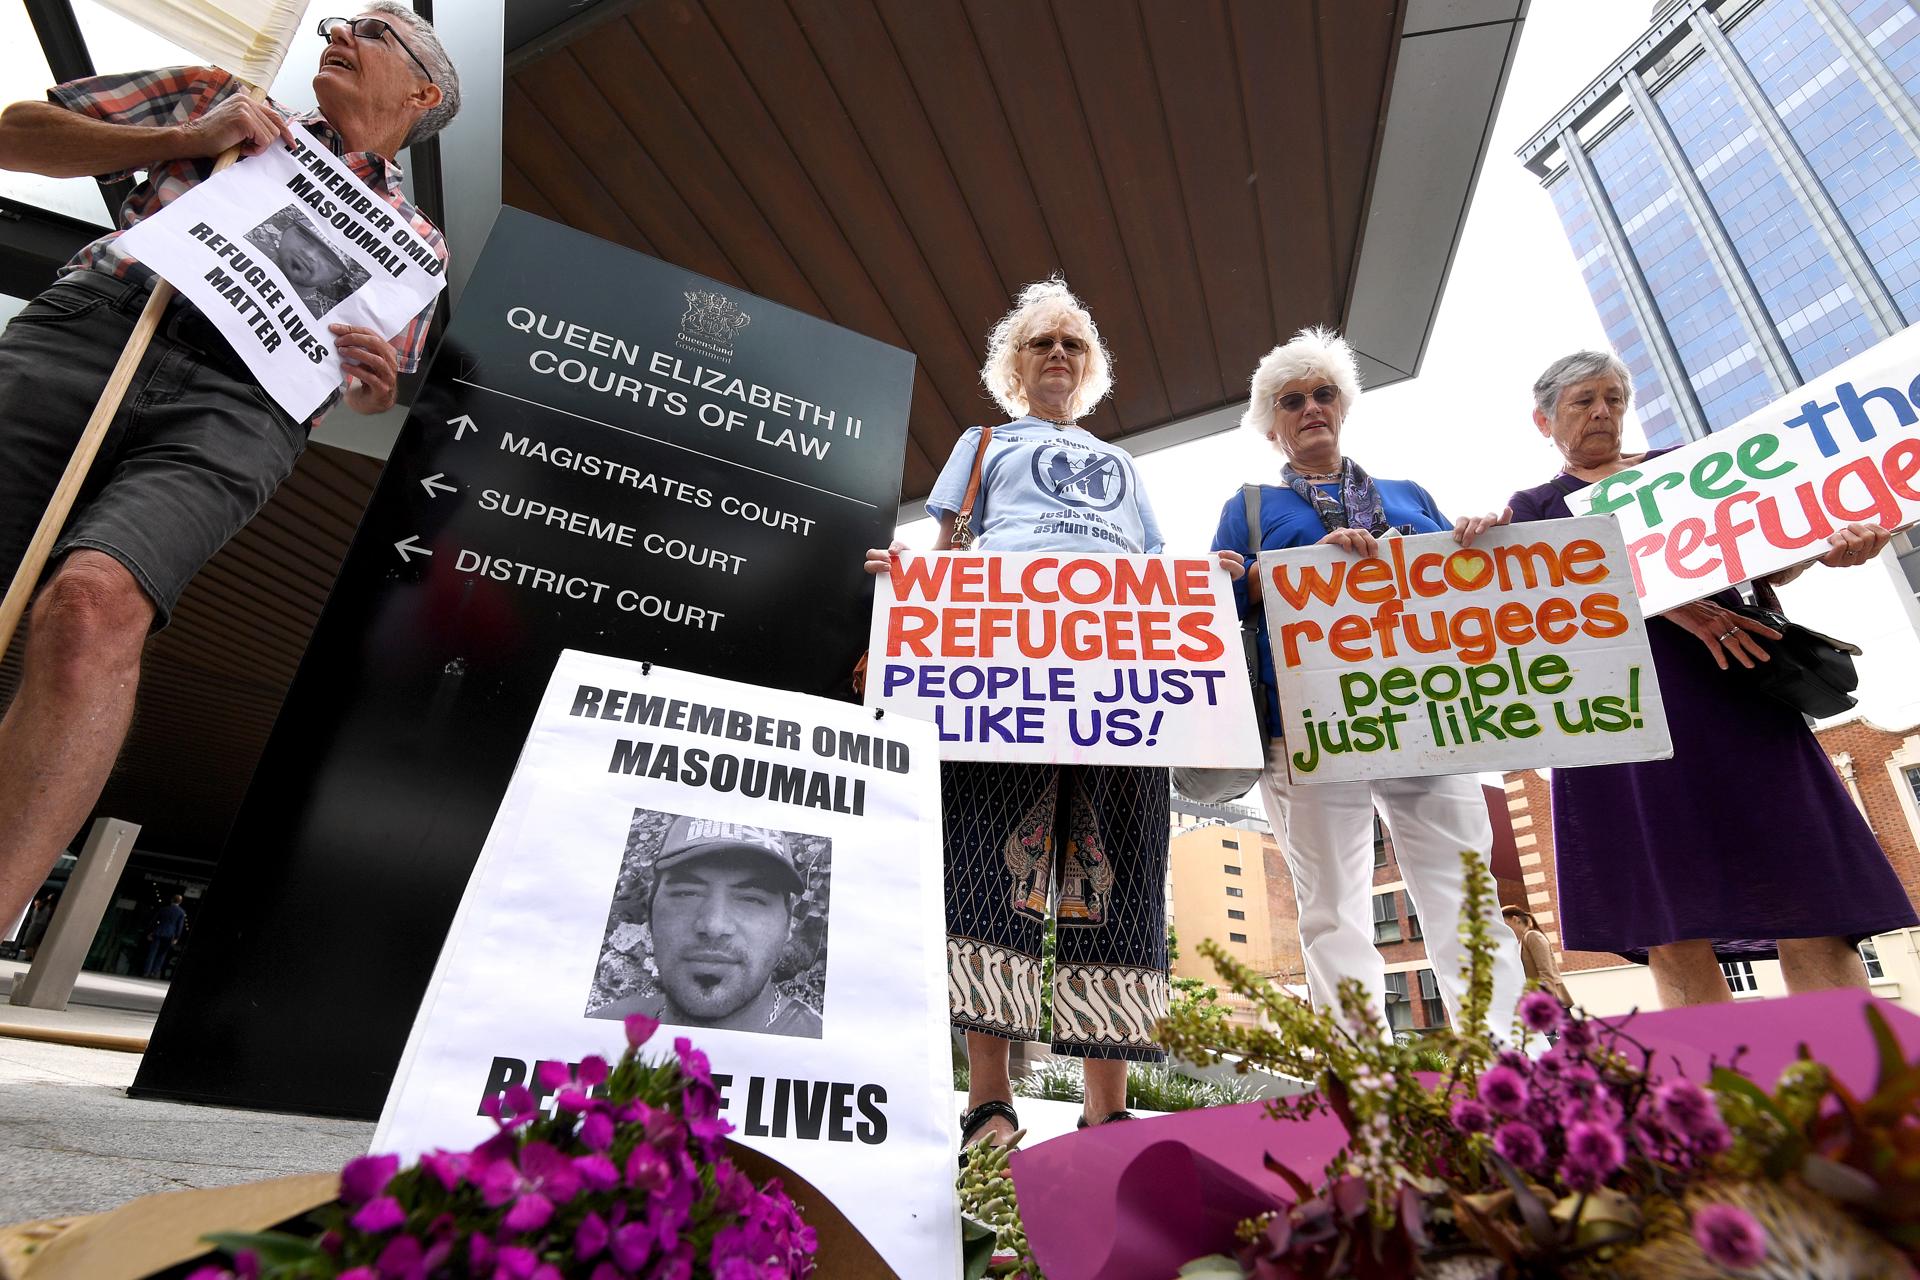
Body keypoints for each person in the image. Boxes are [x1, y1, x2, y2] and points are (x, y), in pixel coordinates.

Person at [0, 7, 460, 931]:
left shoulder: (417, 248)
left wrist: (372, 392)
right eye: (339, 21)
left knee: (94, 605)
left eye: (373, 32)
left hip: (240, 410)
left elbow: (362, 390)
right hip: (98, 328)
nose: (340, 31)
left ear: (423, 92)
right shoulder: (225, 102)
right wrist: (187, 137)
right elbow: (12, 136)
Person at [866, 278, 1244, 1151]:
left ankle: (1107, 1109)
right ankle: (990, 1103)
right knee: (986, 861)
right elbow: (950, 546)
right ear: (1014, 363)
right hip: (1006, 676)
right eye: (1042, 342)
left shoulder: (1125, 467)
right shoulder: (983, 442)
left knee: (1118, 874)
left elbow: (1153, 565)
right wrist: (906, 586)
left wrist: (1206, 582)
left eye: (1073, 343)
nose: (1059, 356)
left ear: (1091, 366)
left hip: (1116, 684)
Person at [1508, 351, 1917, 1007]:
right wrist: (1673, 603)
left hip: (1739, 696)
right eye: (1584, 400)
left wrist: (1831, 545)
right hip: (1626, 719)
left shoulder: (1688, 468)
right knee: (1671, 916)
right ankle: (1720, 1097)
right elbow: (1537, 605)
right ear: (1545, 419)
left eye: (1614, 397)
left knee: (1808, 886)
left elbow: (1769, 557)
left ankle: (1848, 1086)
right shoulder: (1532, 509)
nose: (1603, 412)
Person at [1211, 326, 1526, 1037]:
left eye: (1324, 393)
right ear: (1271, 426)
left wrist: (1479, 542)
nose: (1310, 408)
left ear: (1345, 405)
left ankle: (1510, 1066)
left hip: (1428, 715)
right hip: (1308, 727)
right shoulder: (1250, 507)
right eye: (1291, 400)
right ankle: (1365, 1083)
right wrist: (1284, 573)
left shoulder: (1408, 493)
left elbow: (1476, 593)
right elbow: (1212, 608)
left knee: (1466, 898)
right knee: (1331, 907)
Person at [594, 818, 822, 1038]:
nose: (714, 926)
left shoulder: (825, 1051)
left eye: (751, 899)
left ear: (789, 921)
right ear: (650, 910)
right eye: (687, 893)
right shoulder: (602, 1029)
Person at [252, 214, 362, 318]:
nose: (309, 255)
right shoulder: (248, 246)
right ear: (286, 230)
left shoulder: (310, 320)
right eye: (305, 239)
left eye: (327, 257)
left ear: (338, 277)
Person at [1503, 906, 1572, 1009]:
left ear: (1515, 919)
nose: (1506, 931)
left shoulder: (1532, 936)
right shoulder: (1522, 941)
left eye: (1506, 925)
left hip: (1551, 1003)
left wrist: (1546, 1003)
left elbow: (1546, 973)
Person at [143, 893, 188, 979]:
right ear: (180, 902)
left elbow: (154, 921)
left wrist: (150, 932)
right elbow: (180, 926)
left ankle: (146, 972)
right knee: (162, 954)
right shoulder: (181, 912)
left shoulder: (164, 909)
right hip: (170, 935)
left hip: (158, 932)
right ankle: (154, 972)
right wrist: (176, 937)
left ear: (172, 900)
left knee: (152, 953)